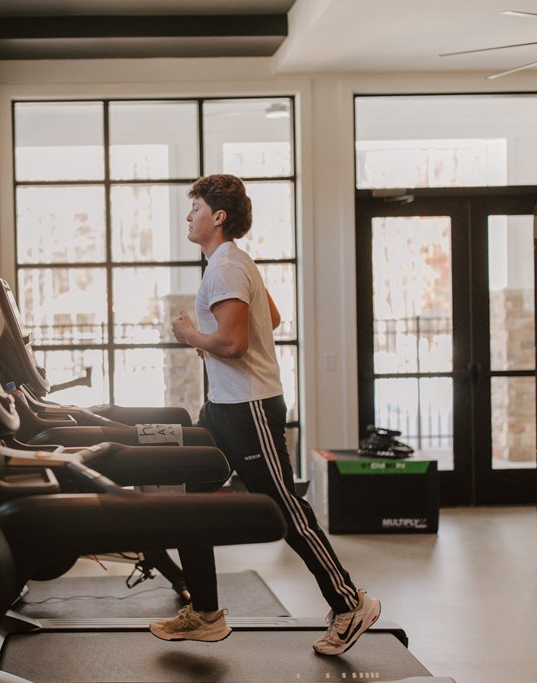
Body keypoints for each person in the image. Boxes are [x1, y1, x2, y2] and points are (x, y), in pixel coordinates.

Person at [149, 174, 380, 656]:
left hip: (248, 408)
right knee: (190, 504)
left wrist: (194, 336)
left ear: (218, 217)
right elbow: (267, 319)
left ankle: (349, 602)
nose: (187, 217)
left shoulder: (226, 268)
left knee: (286, 510)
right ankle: (207, 614)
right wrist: (213, 340)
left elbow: (234, 343)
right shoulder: (231, 263)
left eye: (194, 209)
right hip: (222, 408)